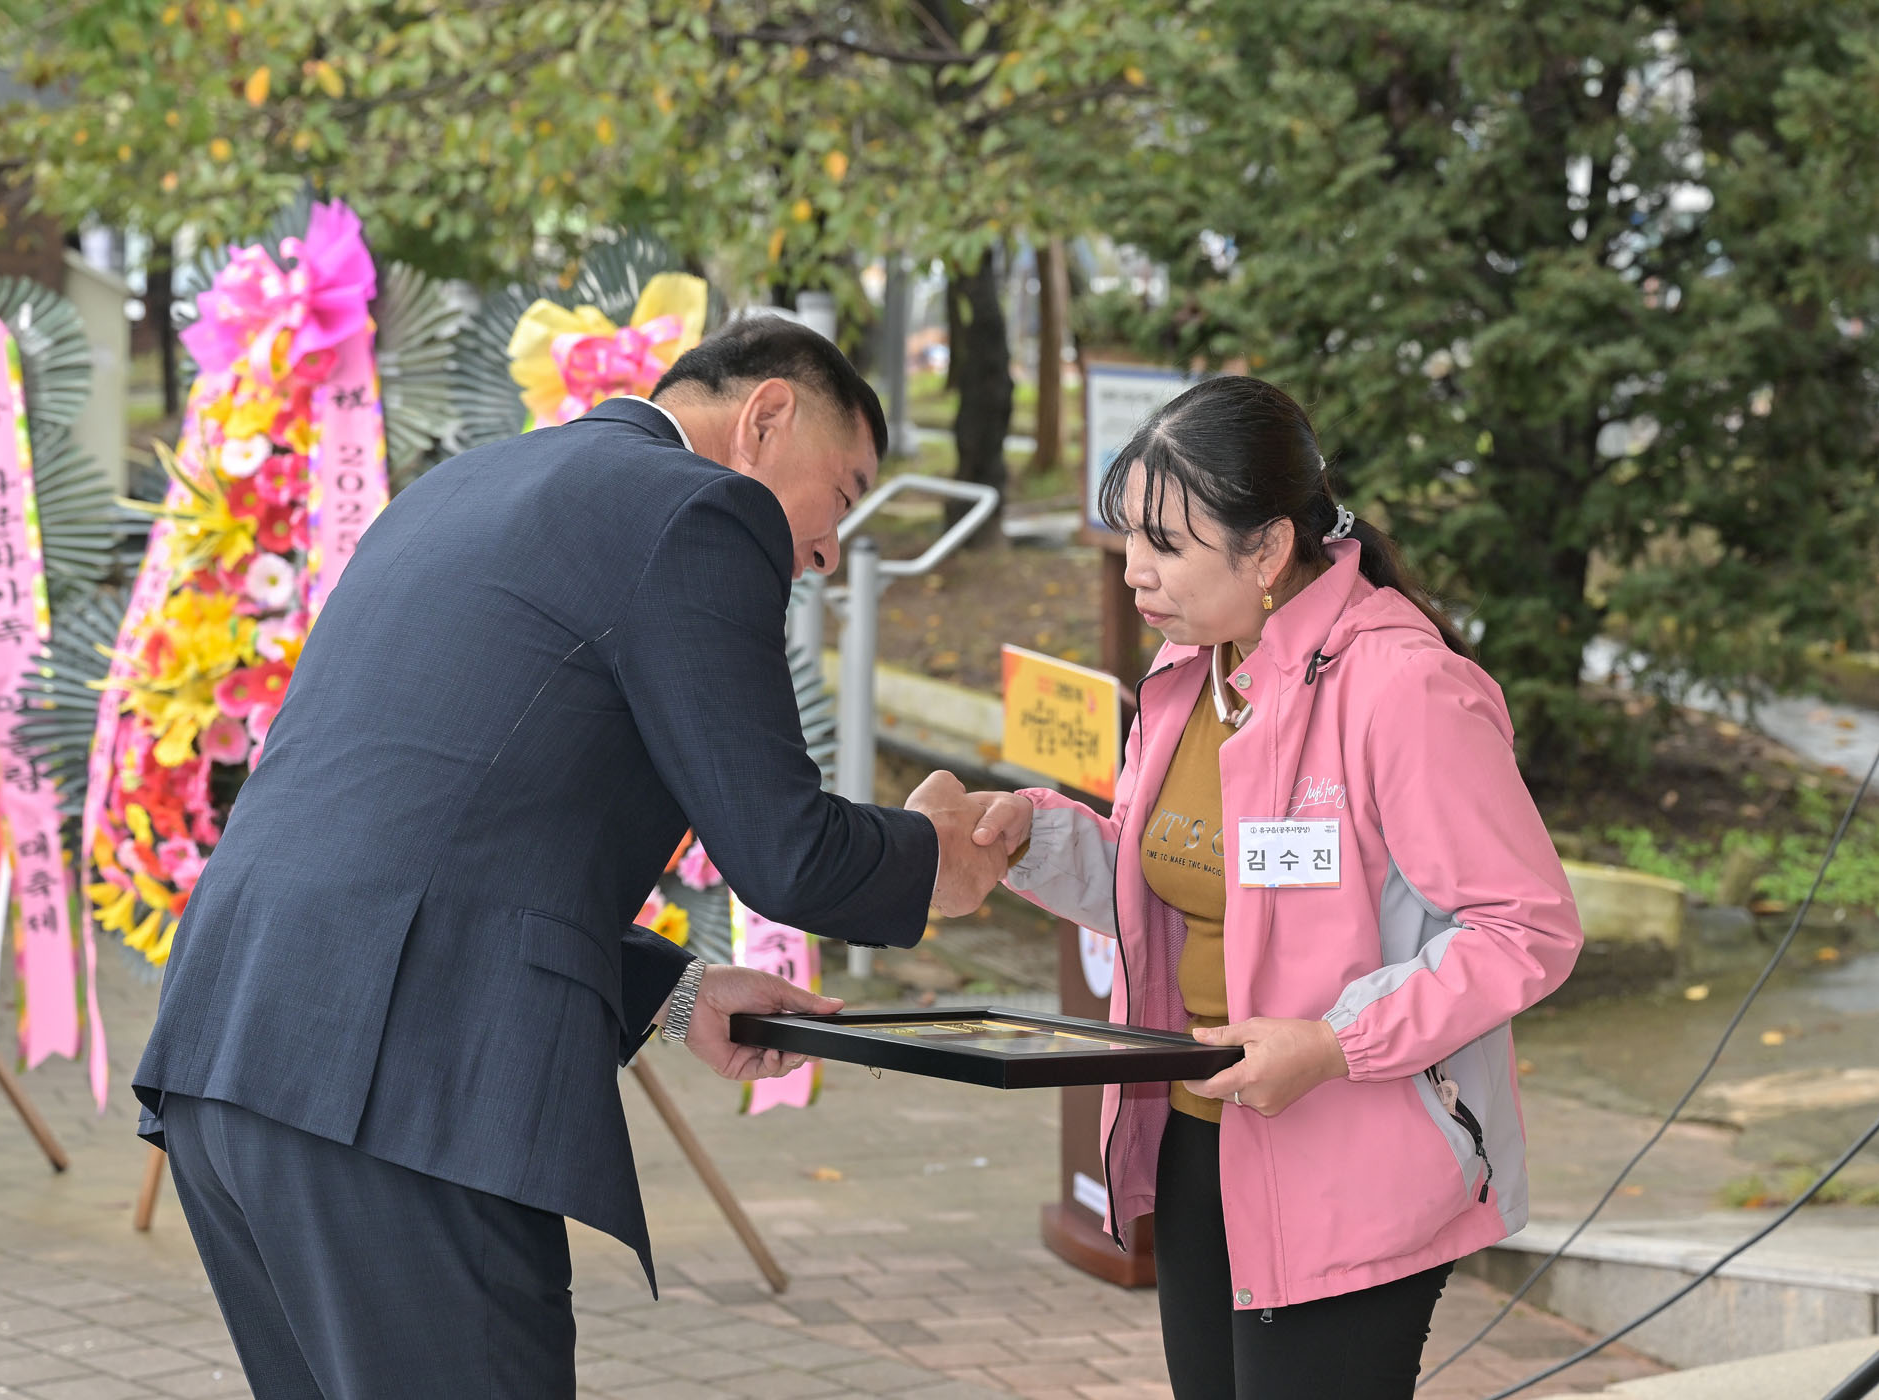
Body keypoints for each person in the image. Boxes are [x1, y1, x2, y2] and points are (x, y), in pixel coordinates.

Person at [131, 316, 1007, 1398]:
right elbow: (788, 853)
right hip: (400, 1089)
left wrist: (677, 993)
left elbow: (436, 825)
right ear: (766, 417)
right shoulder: (701, 508)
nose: (829, 548)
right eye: (843, 491)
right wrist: (937, 857)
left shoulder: (460, 485)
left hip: (233, 1048)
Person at [950, 375, 1583, 1400]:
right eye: (1130, 533)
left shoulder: (1404, 687)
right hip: (1201, 1139)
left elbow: (1527, 929)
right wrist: (1028, 837)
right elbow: (1178, 885)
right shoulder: (1190, 670)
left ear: (1269, 549)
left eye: (1165, 542)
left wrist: (1334, 1043)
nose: (1133, 567)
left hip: (1355, 1163)